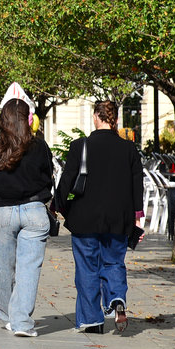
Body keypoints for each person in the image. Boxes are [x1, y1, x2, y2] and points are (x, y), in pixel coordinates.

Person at [56, 100, 142, 335]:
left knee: (86, 268)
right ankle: (116, 297)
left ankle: (91, 321)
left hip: (85, 216)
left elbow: (66, 181)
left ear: (96, 117)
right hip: (118, 218)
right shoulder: (129, 149)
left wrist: (59, 206)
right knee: (114, 261)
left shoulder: (80, 146)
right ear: (115, 119)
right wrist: (137, 217)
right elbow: (137, 185)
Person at [0, 98, 55, 338]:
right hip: (34, 209)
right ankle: (22, 322)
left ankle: (6, 315)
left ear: (2, 120)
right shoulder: (40, 146)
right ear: (28, 120)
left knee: (3, 267)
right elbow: (48, 177)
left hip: (4, 211)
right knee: (29, 268)